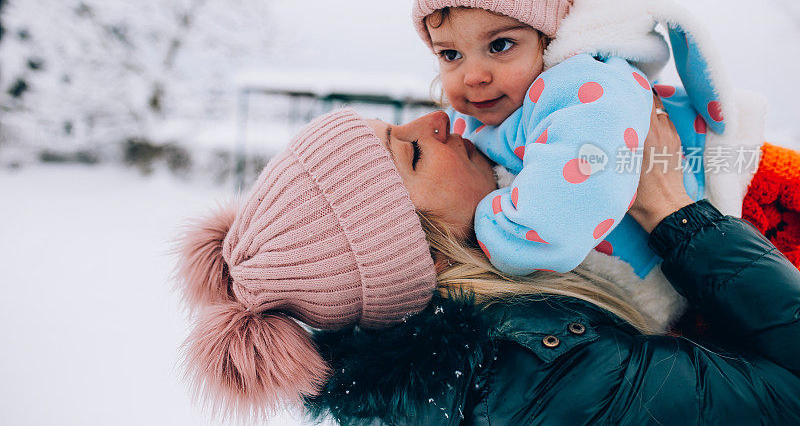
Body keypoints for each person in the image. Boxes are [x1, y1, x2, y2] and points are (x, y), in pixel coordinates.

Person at [175, 105, 800, 424]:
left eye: (398, 126)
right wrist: (679, 217)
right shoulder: (538, 380)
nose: (438, 121)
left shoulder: (490, 366)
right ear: (425, 245)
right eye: (414, 153)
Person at [409, 0, 800, 329]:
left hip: (756, 211)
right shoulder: (486, 116)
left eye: (499, 46)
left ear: (548, 37)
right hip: (699, 262)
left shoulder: (584, 88)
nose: (473, 76)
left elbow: (559, 218)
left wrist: (494, 233)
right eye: (449, 54)